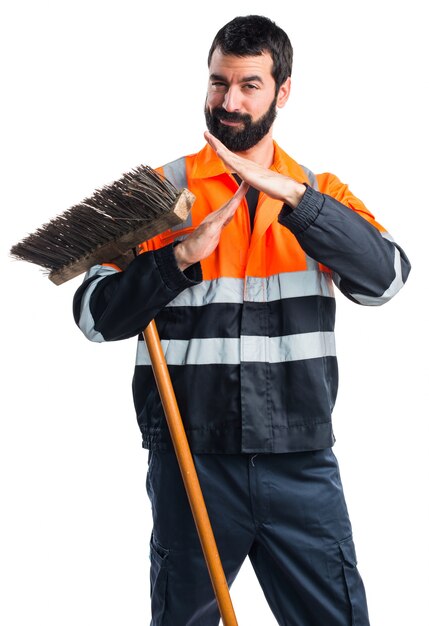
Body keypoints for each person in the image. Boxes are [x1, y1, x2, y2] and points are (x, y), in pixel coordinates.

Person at [73, 15, 411, 626]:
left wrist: (297, 202)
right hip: (190, 462)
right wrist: (177, 259)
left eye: (249, 85)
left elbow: (385, 279)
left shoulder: (317, 192)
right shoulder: (159, 192)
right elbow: (95, 318)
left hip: (300, 466)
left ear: (283, 92)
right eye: (218, 83)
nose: (229, 101)